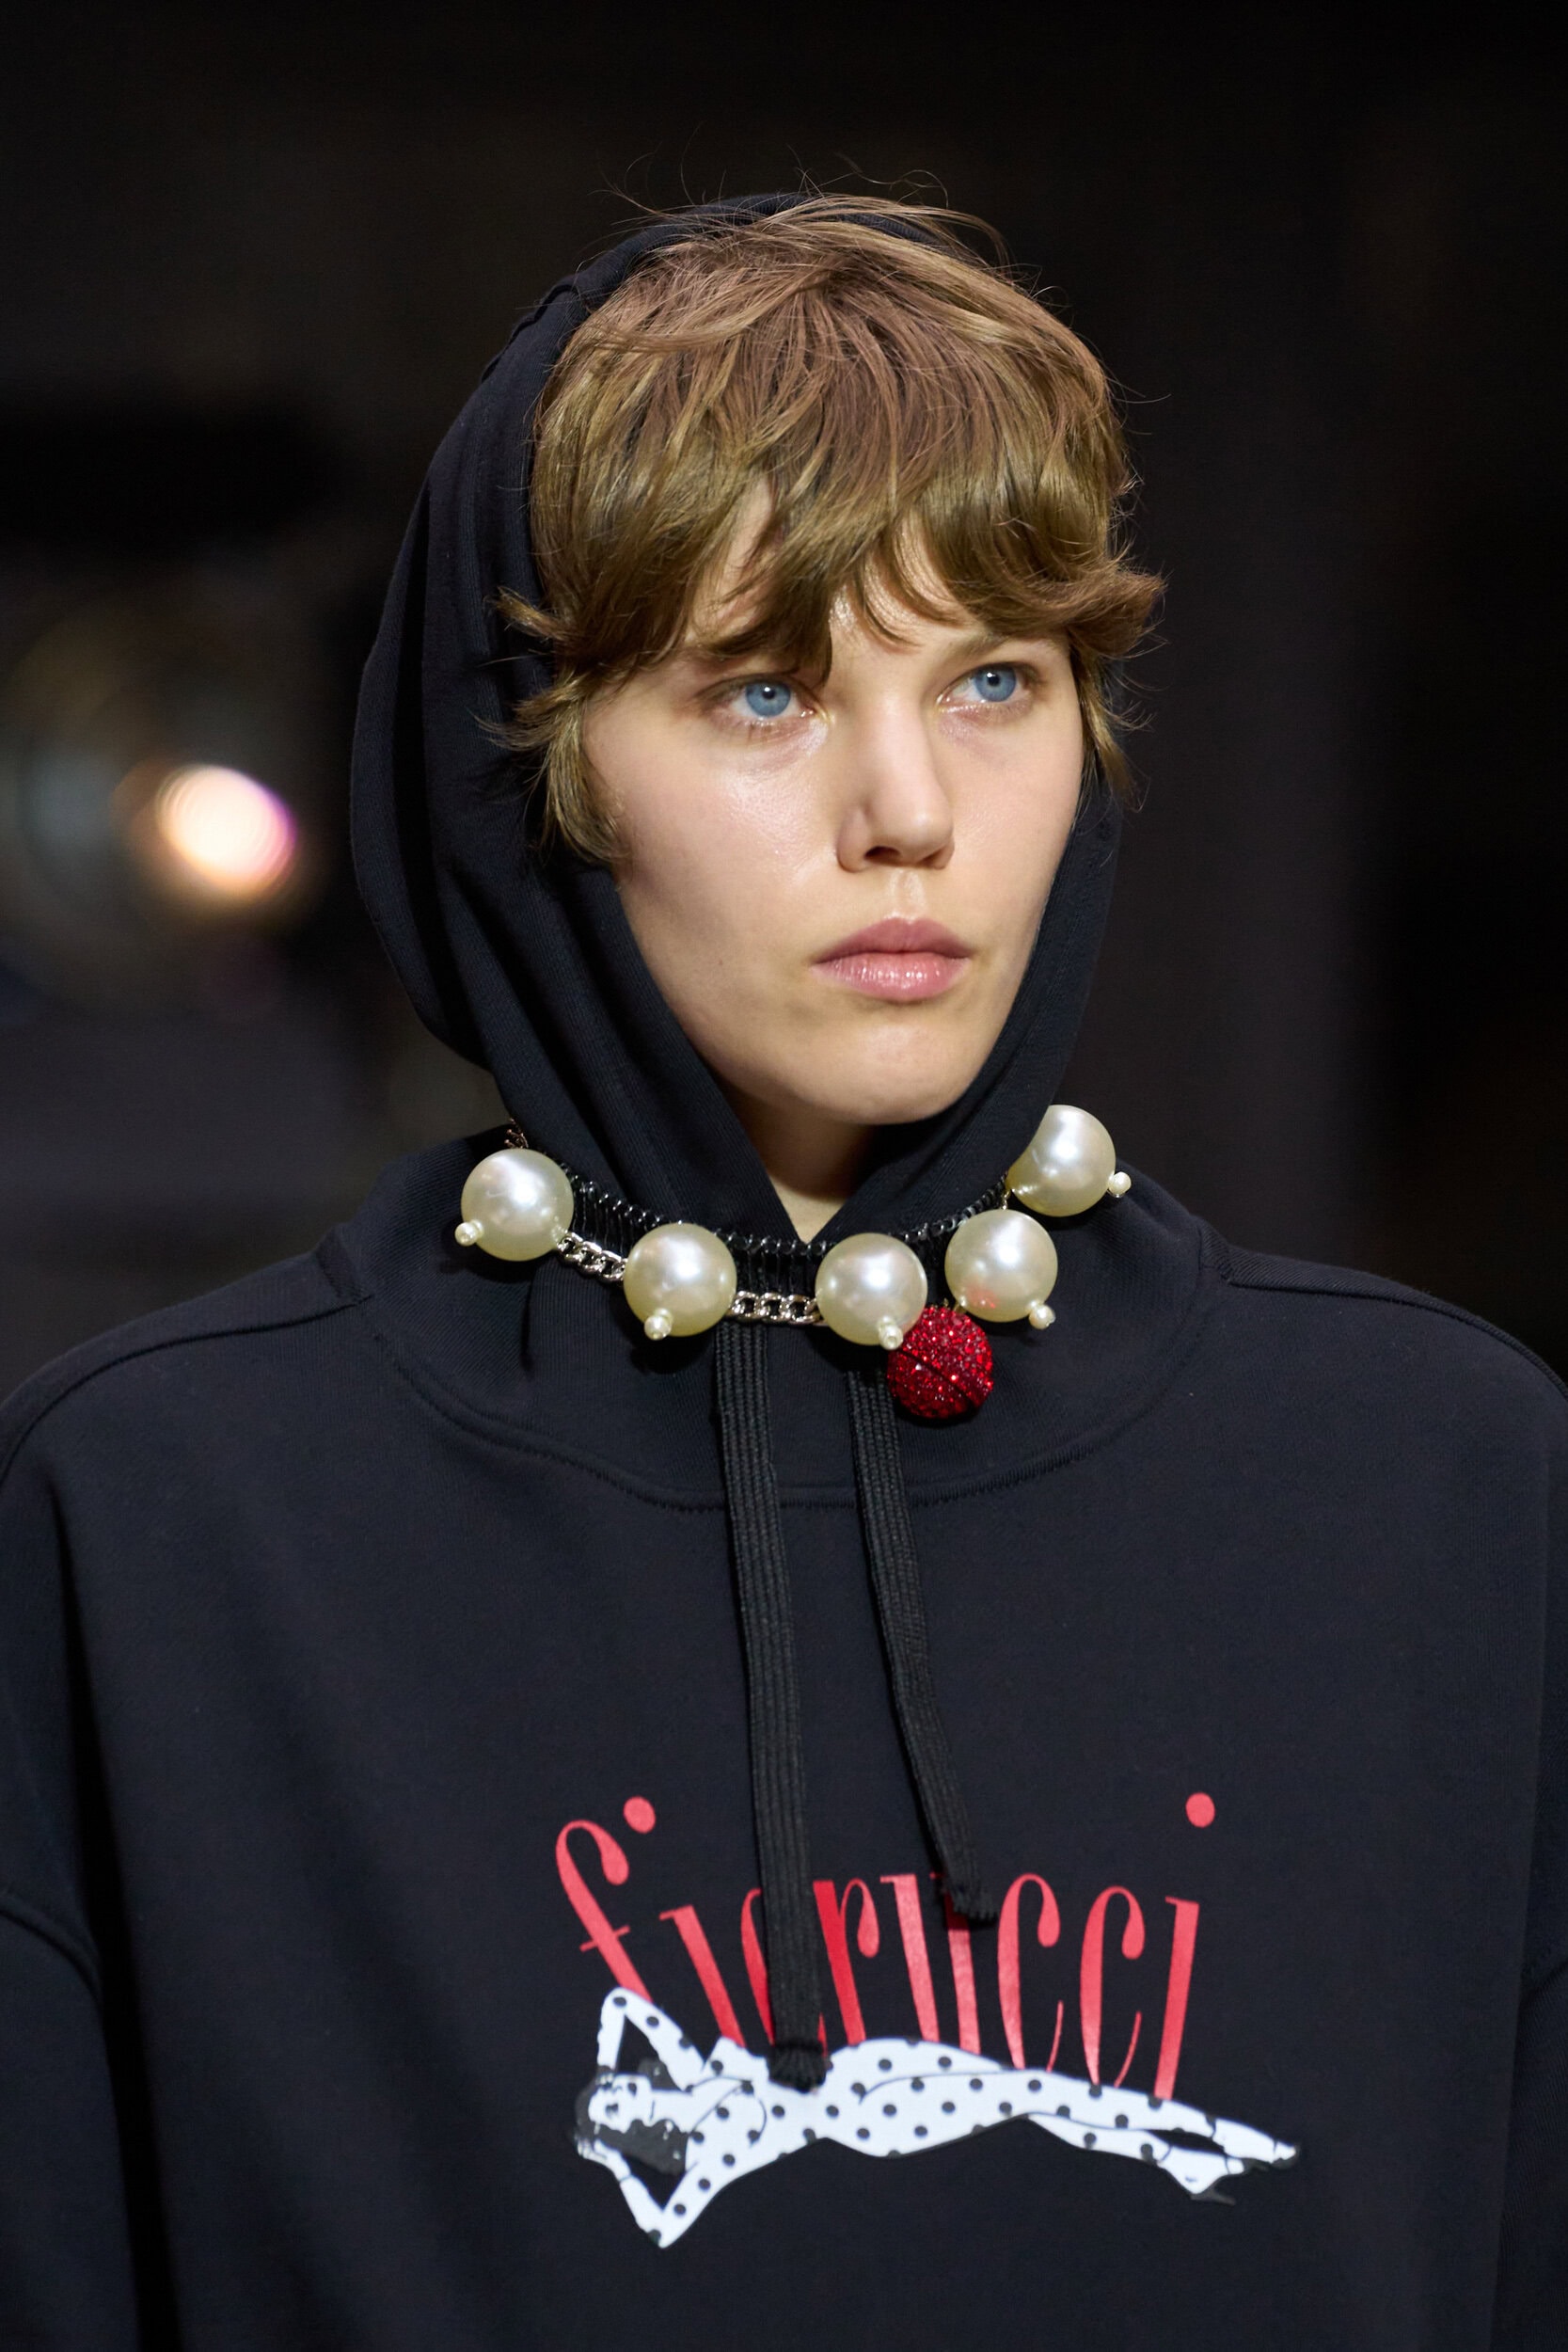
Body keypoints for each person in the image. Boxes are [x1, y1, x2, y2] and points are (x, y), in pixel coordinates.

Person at [0, 193, 1560, 2350]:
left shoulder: (1442, 1491)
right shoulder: (165, 1527)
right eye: (763, 688)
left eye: (997, 677)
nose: (909, 808)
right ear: (532, 756)